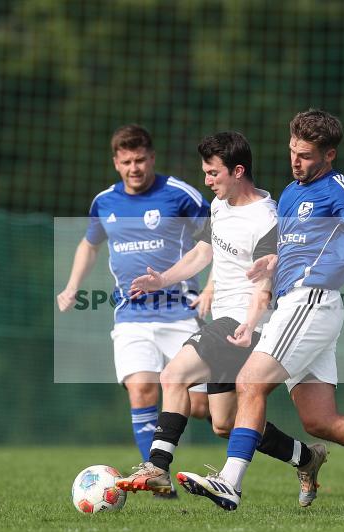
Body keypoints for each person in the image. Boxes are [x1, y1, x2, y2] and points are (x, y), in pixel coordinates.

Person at [177, 109, 344, 513]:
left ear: (329, 155)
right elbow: (291, 247)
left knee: (249, 381)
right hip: (296, 304)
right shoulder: (289, 193)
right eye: (291, 152)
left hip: (311, 300)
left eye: (305, 155)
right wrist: (271, 263)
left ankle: (229, 483)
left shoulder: (339, 191)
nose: (295, 161)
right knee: (320, 421)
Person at [115, 131, 327, 507]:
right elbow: (203, 252)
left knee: (173, 374)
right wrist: (161, 279)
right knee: (224, 424)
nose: (207, 181)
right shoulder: (219, 205)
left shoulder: (266, 218)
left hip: (246, 325)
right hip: (232, 322)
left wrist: (250, 322)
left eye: (213, 174)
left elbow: (265, 284)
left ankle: (157, 465)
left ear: (238, 171)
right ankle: (307, 457)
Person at [56, 124, 209, 496]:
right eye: (126, 162)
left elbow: (216, 238)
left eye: (140, 160)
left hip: (181, 313)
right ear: (116, 163)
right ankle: (157, 478)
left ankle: (270, 445)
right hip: (131, 316)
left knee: (206, 409)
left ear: (152, 158)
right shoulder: (104, 202)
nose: (134, 168)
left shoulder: (179, 195)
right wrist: (72, 286)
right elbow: (89, 245)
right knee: (141, 389)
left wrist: (215, 288)